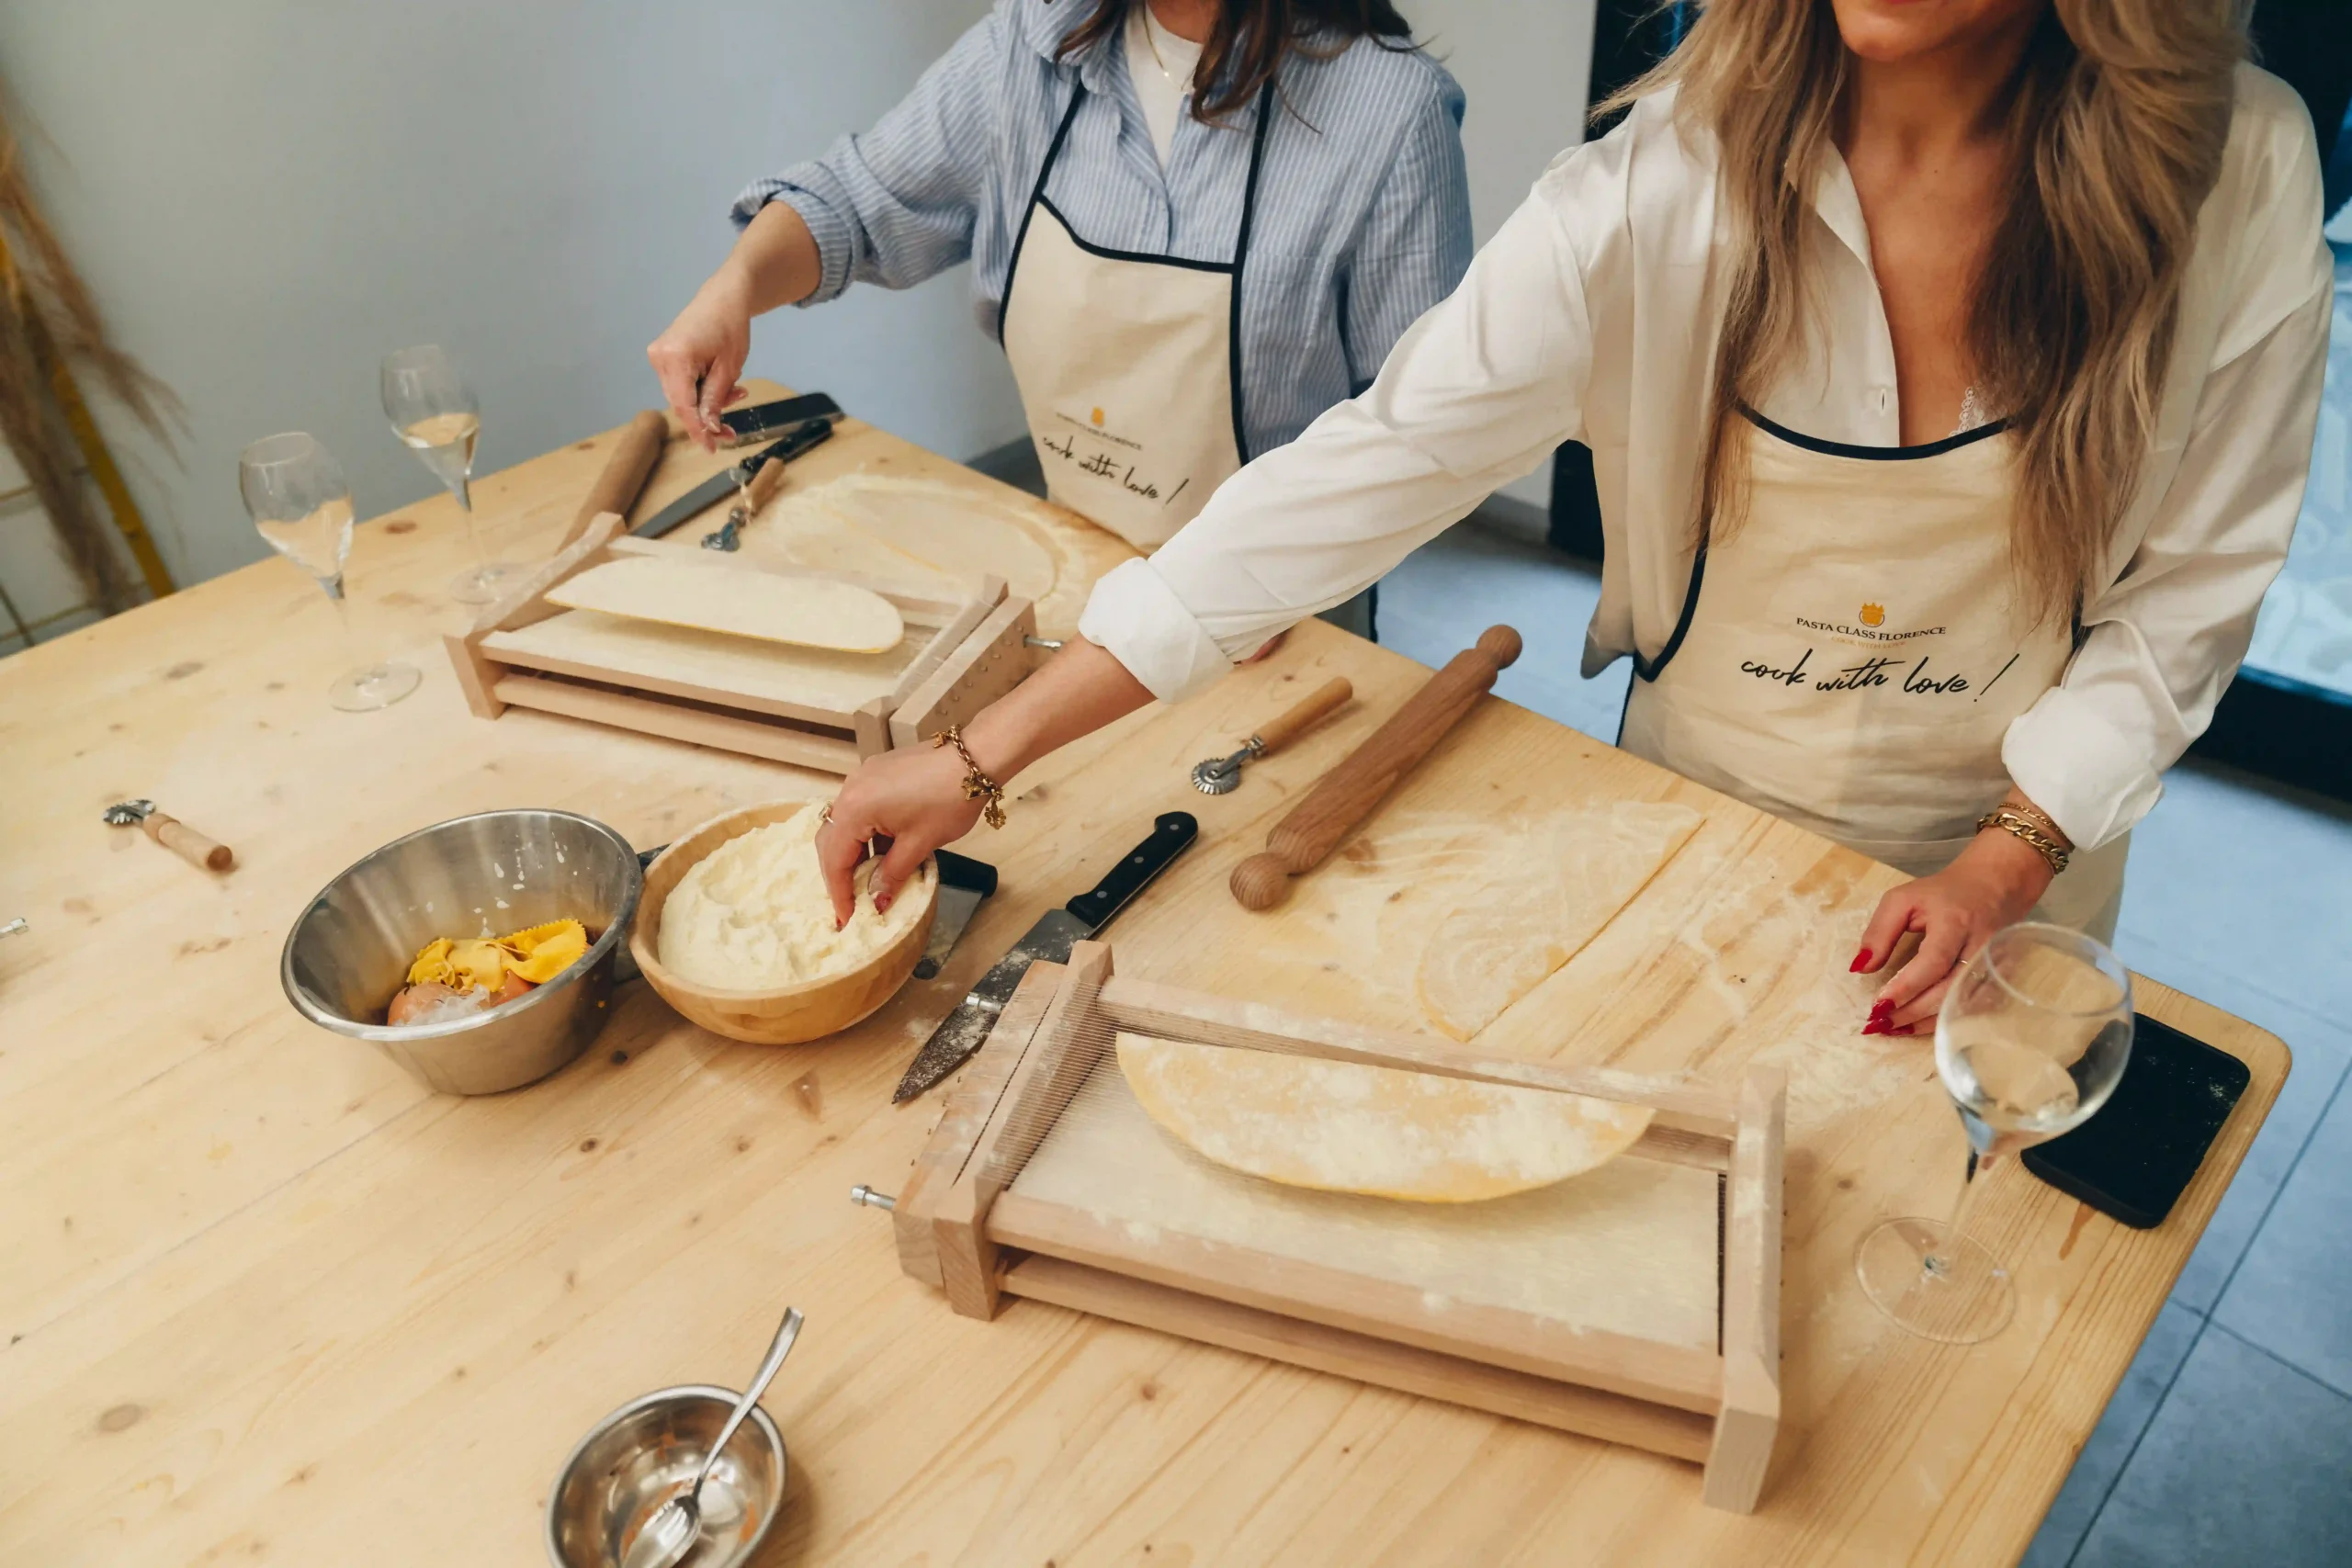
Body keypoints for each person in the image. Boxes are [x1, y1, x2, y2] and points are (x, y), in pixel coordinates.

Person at [815, 0, 2333, 1040]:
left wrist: (2012, 853)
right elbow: (1364, 469)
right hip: (1705, 822)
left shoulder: (2236, 174)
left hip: (2028, 863)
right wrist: (977, 755)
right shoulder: (1663, 182)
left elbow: (2193, 594)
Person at [649, 0, 1472, 610]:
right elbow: (861, 200)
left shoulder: (1390, 114)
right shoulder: (1028, 47)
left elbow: (1418, 440)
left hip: (1276, 620)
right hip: (1071, 578)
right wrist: (736, 288)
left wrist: (1265, 585)